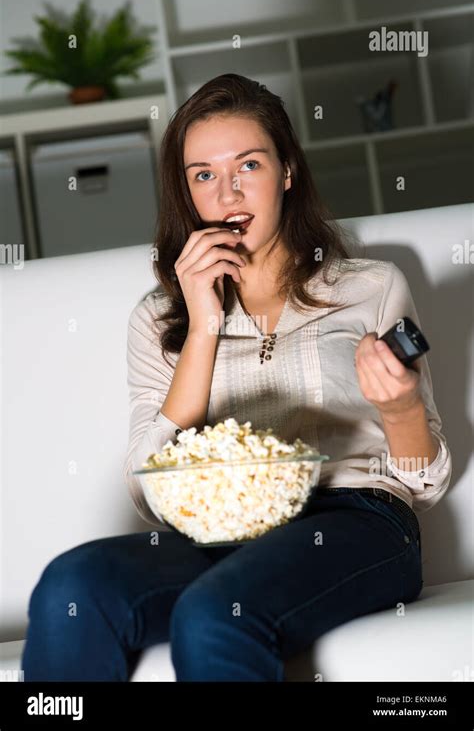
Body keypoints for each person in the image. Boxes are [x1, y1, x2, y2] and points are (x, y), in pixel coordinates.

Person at [21, 74, 452, 682]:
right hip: (219, 537)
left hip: (358, 521)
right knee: (74, 585)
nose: (227, 194)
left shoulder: (371, 287)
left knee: (215, 613)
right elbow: (149, 494)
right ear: (186, 192)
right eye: (203, 175)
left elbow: (427, 485)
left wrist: (402, 405)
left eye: (248, 164)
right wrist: (201, 327)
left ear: (287, 171)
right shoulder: (157, 320)